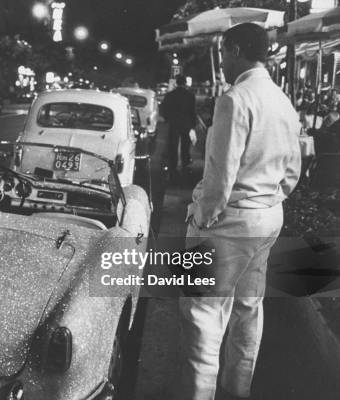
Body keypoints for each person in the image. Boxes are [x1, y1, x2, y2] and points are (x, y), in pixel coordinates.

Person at [179, 23, 302, 400]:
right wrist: (267, 199)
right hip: (268, 215)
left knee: (203, 315)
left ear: (235, 50)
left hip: (231, 219)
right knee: (249, 308)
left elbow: (219, 175)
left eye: (224, 53)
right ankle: (238, 391)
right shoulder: (283, 100)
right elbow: (292, 171)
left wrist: (204, 217)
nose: (223, 63)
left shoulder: (235, 98)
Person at [160, 74, 197, 176]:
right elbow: (192, 111)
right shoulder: (190, 95)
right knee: (185, 145)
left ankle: (173, 167)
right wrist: (193, 125)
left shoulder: (170, 95)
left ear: (176, 82)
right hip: (186, 124)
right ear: (185, 83)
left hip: (174, 123)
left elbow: (164, 109)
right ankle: (185, 165)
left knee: (173, 145)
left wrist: (168, 119)